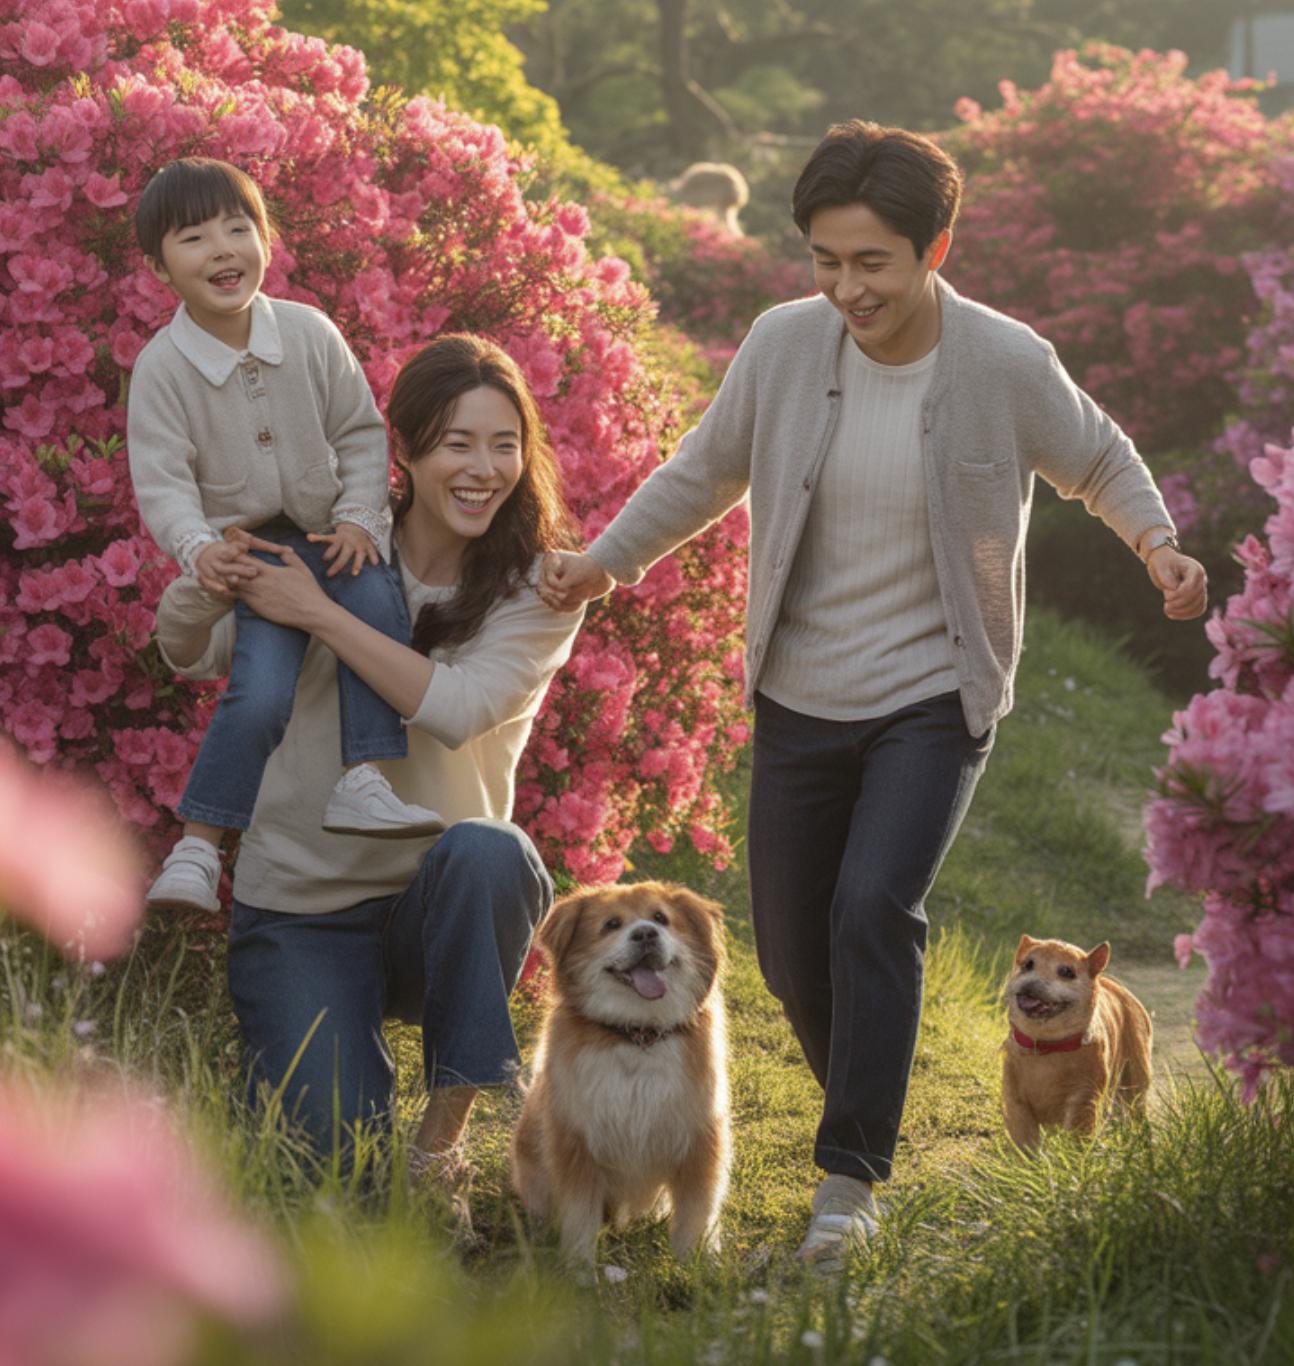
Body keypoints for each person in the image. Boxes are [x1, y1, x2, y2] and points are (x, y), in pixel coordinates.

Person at [539, 120, 1208, 1271]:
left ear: (934, 247)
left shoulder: (1001, 361)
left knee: (870, 913)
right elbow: (707, 465)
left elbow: (1097, 457)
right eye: (824, 260)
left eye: (872, 263)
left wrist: (1157, 545)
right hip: (800, 692)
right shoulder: (785, 345)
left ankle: (849, 1187)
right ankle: (871, 1111)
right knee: (797, 955)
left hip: (933, 694)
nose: (846, 287)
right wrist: (604, 560)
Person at [152, 334, 584, 1178]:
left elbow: (456, 710)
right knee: (330, 1166)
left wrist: (316, 613)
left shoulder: (538, 589)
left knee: (492, 851)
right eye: (458, 443)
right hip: (301, 908)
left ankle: (440, 1153)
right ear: (407, 448)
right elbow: (188, 651)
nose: (483, 468)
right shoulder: (327, 545)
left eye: (505, 445)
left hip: (439, 906)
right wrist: (207, 574)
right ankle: (318, 1080)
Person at [129, 157, 444, 918]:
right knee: (260, 690)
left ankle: (364, 778)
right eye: (195, 236)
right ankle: (199, 851)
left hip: (332, 534)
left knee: (374, 602)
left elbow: (362, 435)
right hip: (252, 557)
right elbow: (164, 483)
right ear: (158, 265)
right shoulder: (163, 368)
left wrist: (361, 519)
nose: (223, 248)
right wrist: (200, 549)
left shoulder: (307, 332)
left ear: (267, 237)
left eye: (240, 227)